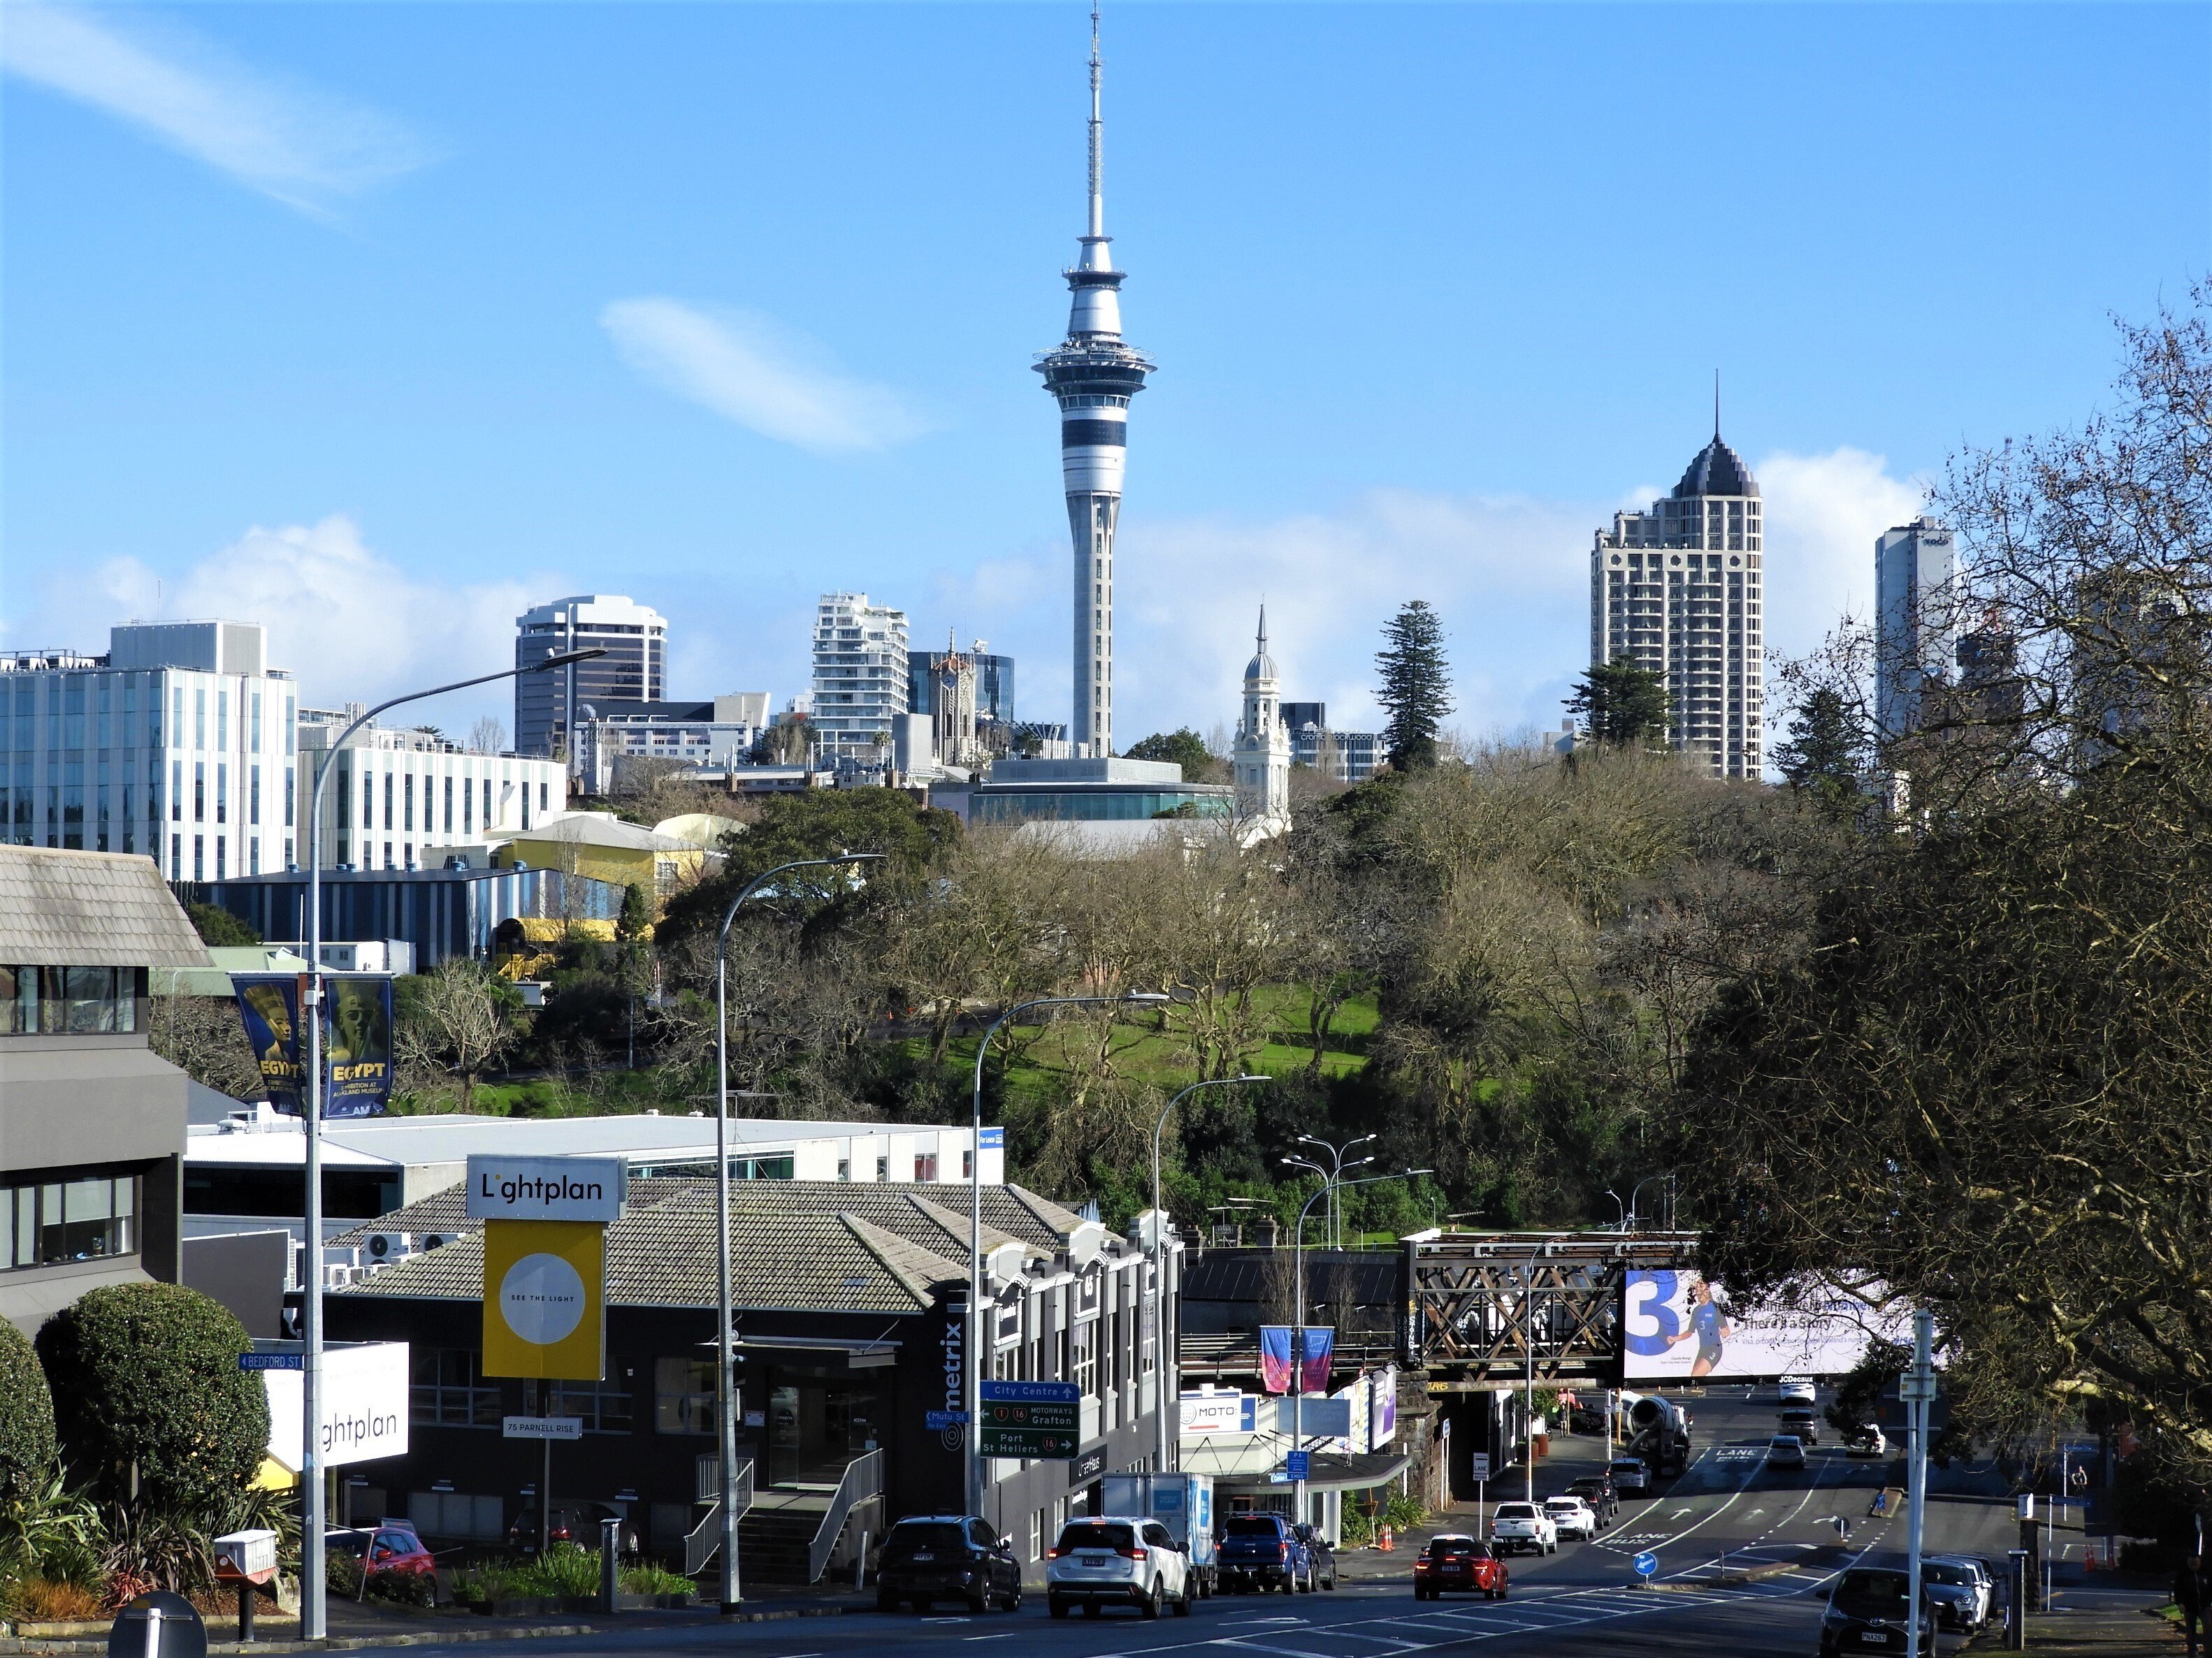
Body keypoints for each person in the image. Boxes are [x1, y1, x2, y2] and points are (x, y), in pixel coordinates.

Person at [1663, 1277, 1733, 1378]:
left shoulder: (1715, 1308)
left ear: (1708, 1289)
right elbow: (1690, 1332)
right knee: (1694, 1379)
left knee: (1696, 1375)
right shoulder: (1696, 1311)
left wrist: (1725, 1332)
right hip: (1703, 1350)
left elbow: (1726, 1329)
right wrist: (1675, 1339)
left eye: (1701, 1285)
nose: (1698, 1289)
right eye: (1697, 1287)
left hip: (1715, 1348)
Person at [2176, 1552, 2206, 1657]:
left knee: (2208, 1626)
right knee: (2191, 1628)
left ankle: (2209, 1648)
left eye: (2196, 1564)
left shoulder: (2205, 1573)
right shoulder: (2183, 1574)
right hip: (2189, 1606)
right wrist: (2180, 1603)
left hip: (2204, 1605)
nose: (2193, 1567)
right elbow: (2178, 1589)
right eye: (2191, 1564)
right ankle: (2192, 1649)